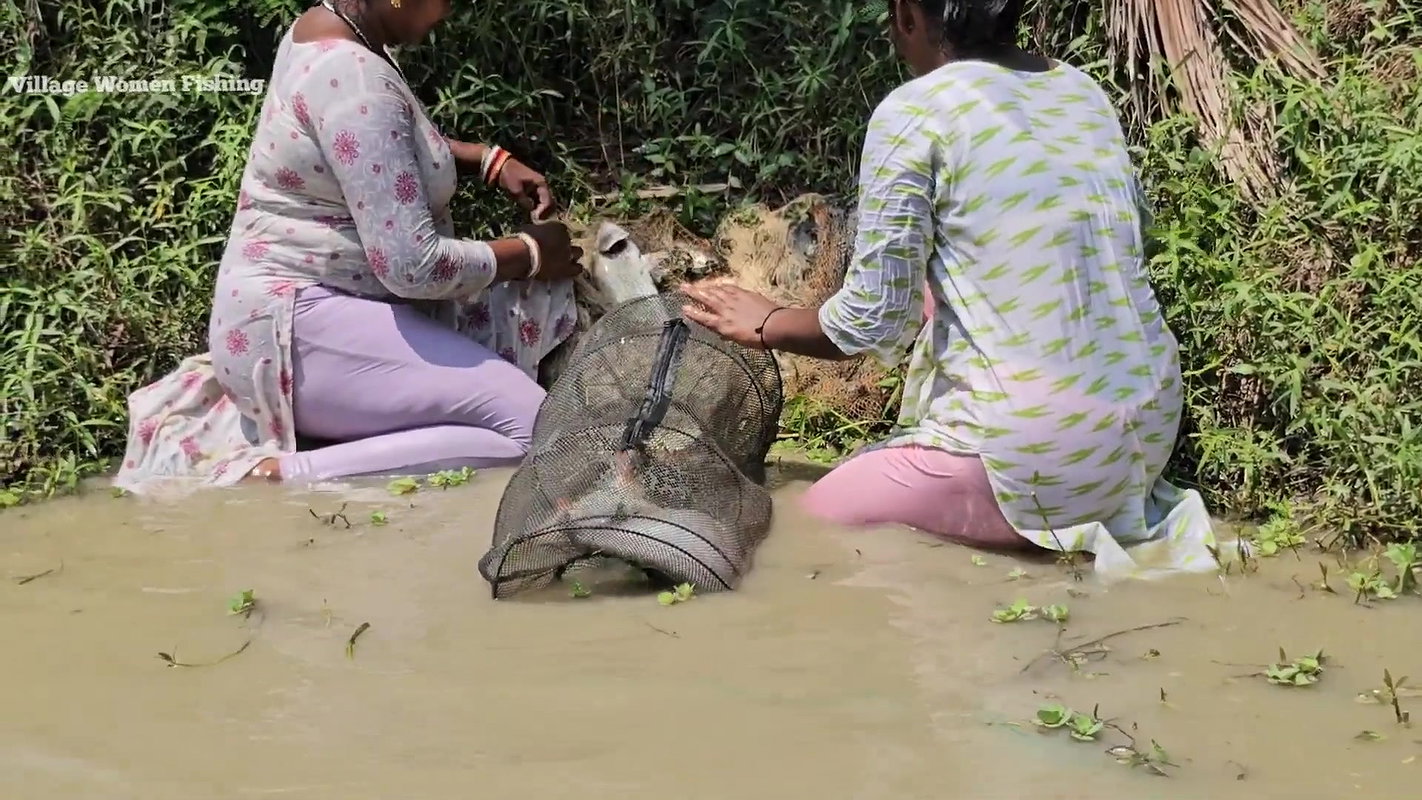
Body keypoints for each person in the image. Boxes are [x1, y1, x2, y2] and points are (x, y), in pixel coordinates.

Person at [683, 0, 1216, 576]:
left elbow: (869, 323)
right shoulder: (1080, 90)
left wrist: (767, 322)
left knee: (811, 519)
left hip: (1038, 452)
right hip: (1147, 431)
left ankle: (1018, 514)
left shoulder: (914, 111)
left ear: (908, 15)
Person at [114, 0, 584, 494]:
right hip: (297, 332)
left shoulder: (325, 27)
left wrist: (485, 159)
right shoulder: (355, 75)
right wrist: (530, 253)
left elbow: (379, 143)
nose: (450, 11)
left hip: (283, 316)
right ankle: (278, 476)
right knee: (537, 426)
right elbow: (413, 267)